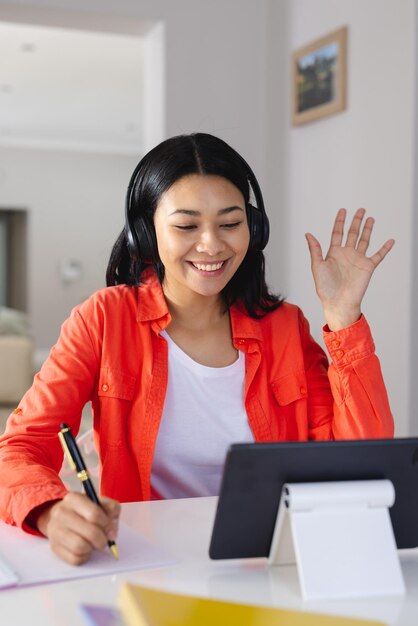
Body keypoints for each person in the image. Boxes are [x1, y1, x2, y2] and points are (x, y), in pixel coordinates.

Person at [0, 133, 394, 566]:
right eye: (186, 226)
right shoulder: (104, 320)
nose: (211, 245)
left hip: (268, 559)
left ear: (254, 228)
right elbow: (20, 447)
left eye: (230, 223)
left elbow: (357, 464)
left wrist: (343, 318)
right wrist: (50, 511)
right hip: (144, 560)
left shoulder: (285, 327)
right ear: (147, 232)